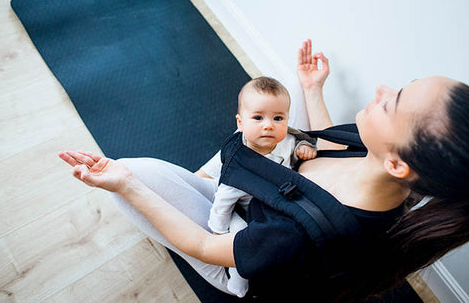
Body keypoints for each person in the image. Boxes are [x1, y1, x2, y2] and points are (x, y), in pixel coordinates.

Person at [59, 39, 469, 301]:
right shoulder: (378, 161)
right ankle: (207, 180)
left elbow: (204, 248)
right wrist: (311, 89)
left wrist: (128, 186)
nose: (381, 90)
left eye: (392, 103)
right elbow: (321, 146)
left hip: (236, 249)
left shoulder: (302, 236)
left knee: (132, 172)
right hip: (262, 205)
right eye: (401, 86)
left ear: (398, 163)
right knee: (254, 130)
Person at [204, 76, 316, 297]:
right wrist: (218, 232)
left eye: (278, 118)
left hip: (276, 205)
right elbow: (222, 204)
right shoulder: (238, 166)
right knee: (239, 241)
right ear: (240, 123)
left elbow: (302, 145)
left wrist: (305, 148)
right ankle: (237, 281)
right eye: (258, 117)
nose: (268, 125)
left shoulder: (287, 142)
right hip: (243, 210)